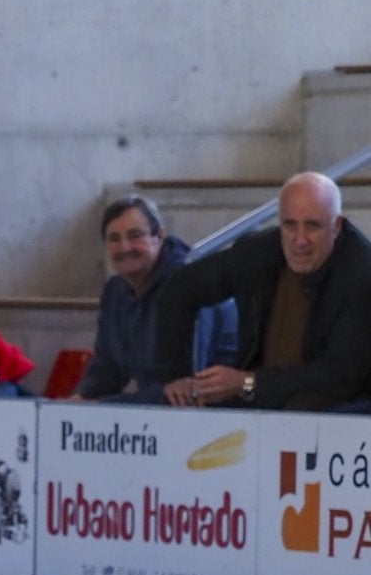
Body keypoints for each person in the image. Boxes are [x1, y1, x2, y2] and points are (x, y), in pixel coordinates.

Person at [155, 172, 371, 412]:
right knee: (163, 404)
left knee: (305, 406)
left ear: (336, 226)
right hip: (259, 394)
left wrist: (246, 383)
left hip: (339, 407)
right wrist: (176, 377)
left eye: (312, 226)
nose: (300, 241)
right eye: (290, 225)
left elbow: (338, 376)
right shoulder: (258, 253)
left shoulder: (361, 274)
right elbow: (180, 287)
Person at [76, 196, 236, 405]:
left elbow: (187, 388)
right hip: (157, 415)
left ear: (159, 236)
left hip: (221, 414)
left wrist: (102, 406)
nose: (124, 247)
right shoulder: (115, 291)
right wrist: (79, 401)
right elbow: (107, 369)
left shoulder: (191, 282)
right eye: (114, 239)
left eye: (135, 236)